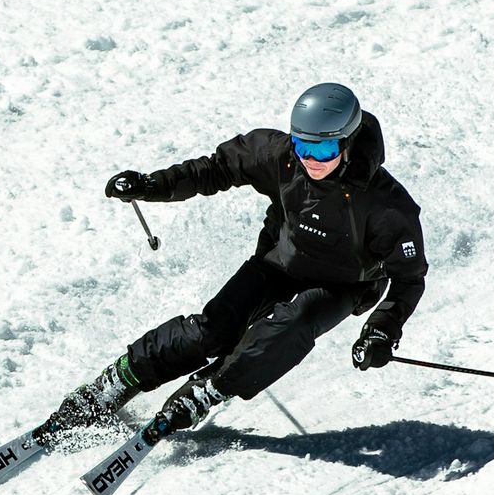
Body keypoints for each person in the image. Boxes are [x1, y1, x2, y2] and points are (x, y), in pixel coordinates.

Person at [37, 82, 427, 446]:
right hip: (280, 261)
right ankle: (122, 377)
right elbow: (215, 169)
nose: (311, 160)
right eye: (302, 146)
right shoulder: (280, 157)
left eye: (323, 151)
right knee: (212, 330)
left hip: (344, 284)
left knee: (291, 325)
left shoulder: (388, 206)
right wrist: (151, 186)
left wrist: (381, 330)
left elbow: (409, 279)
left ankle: (212, 388)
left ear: (348, 142)